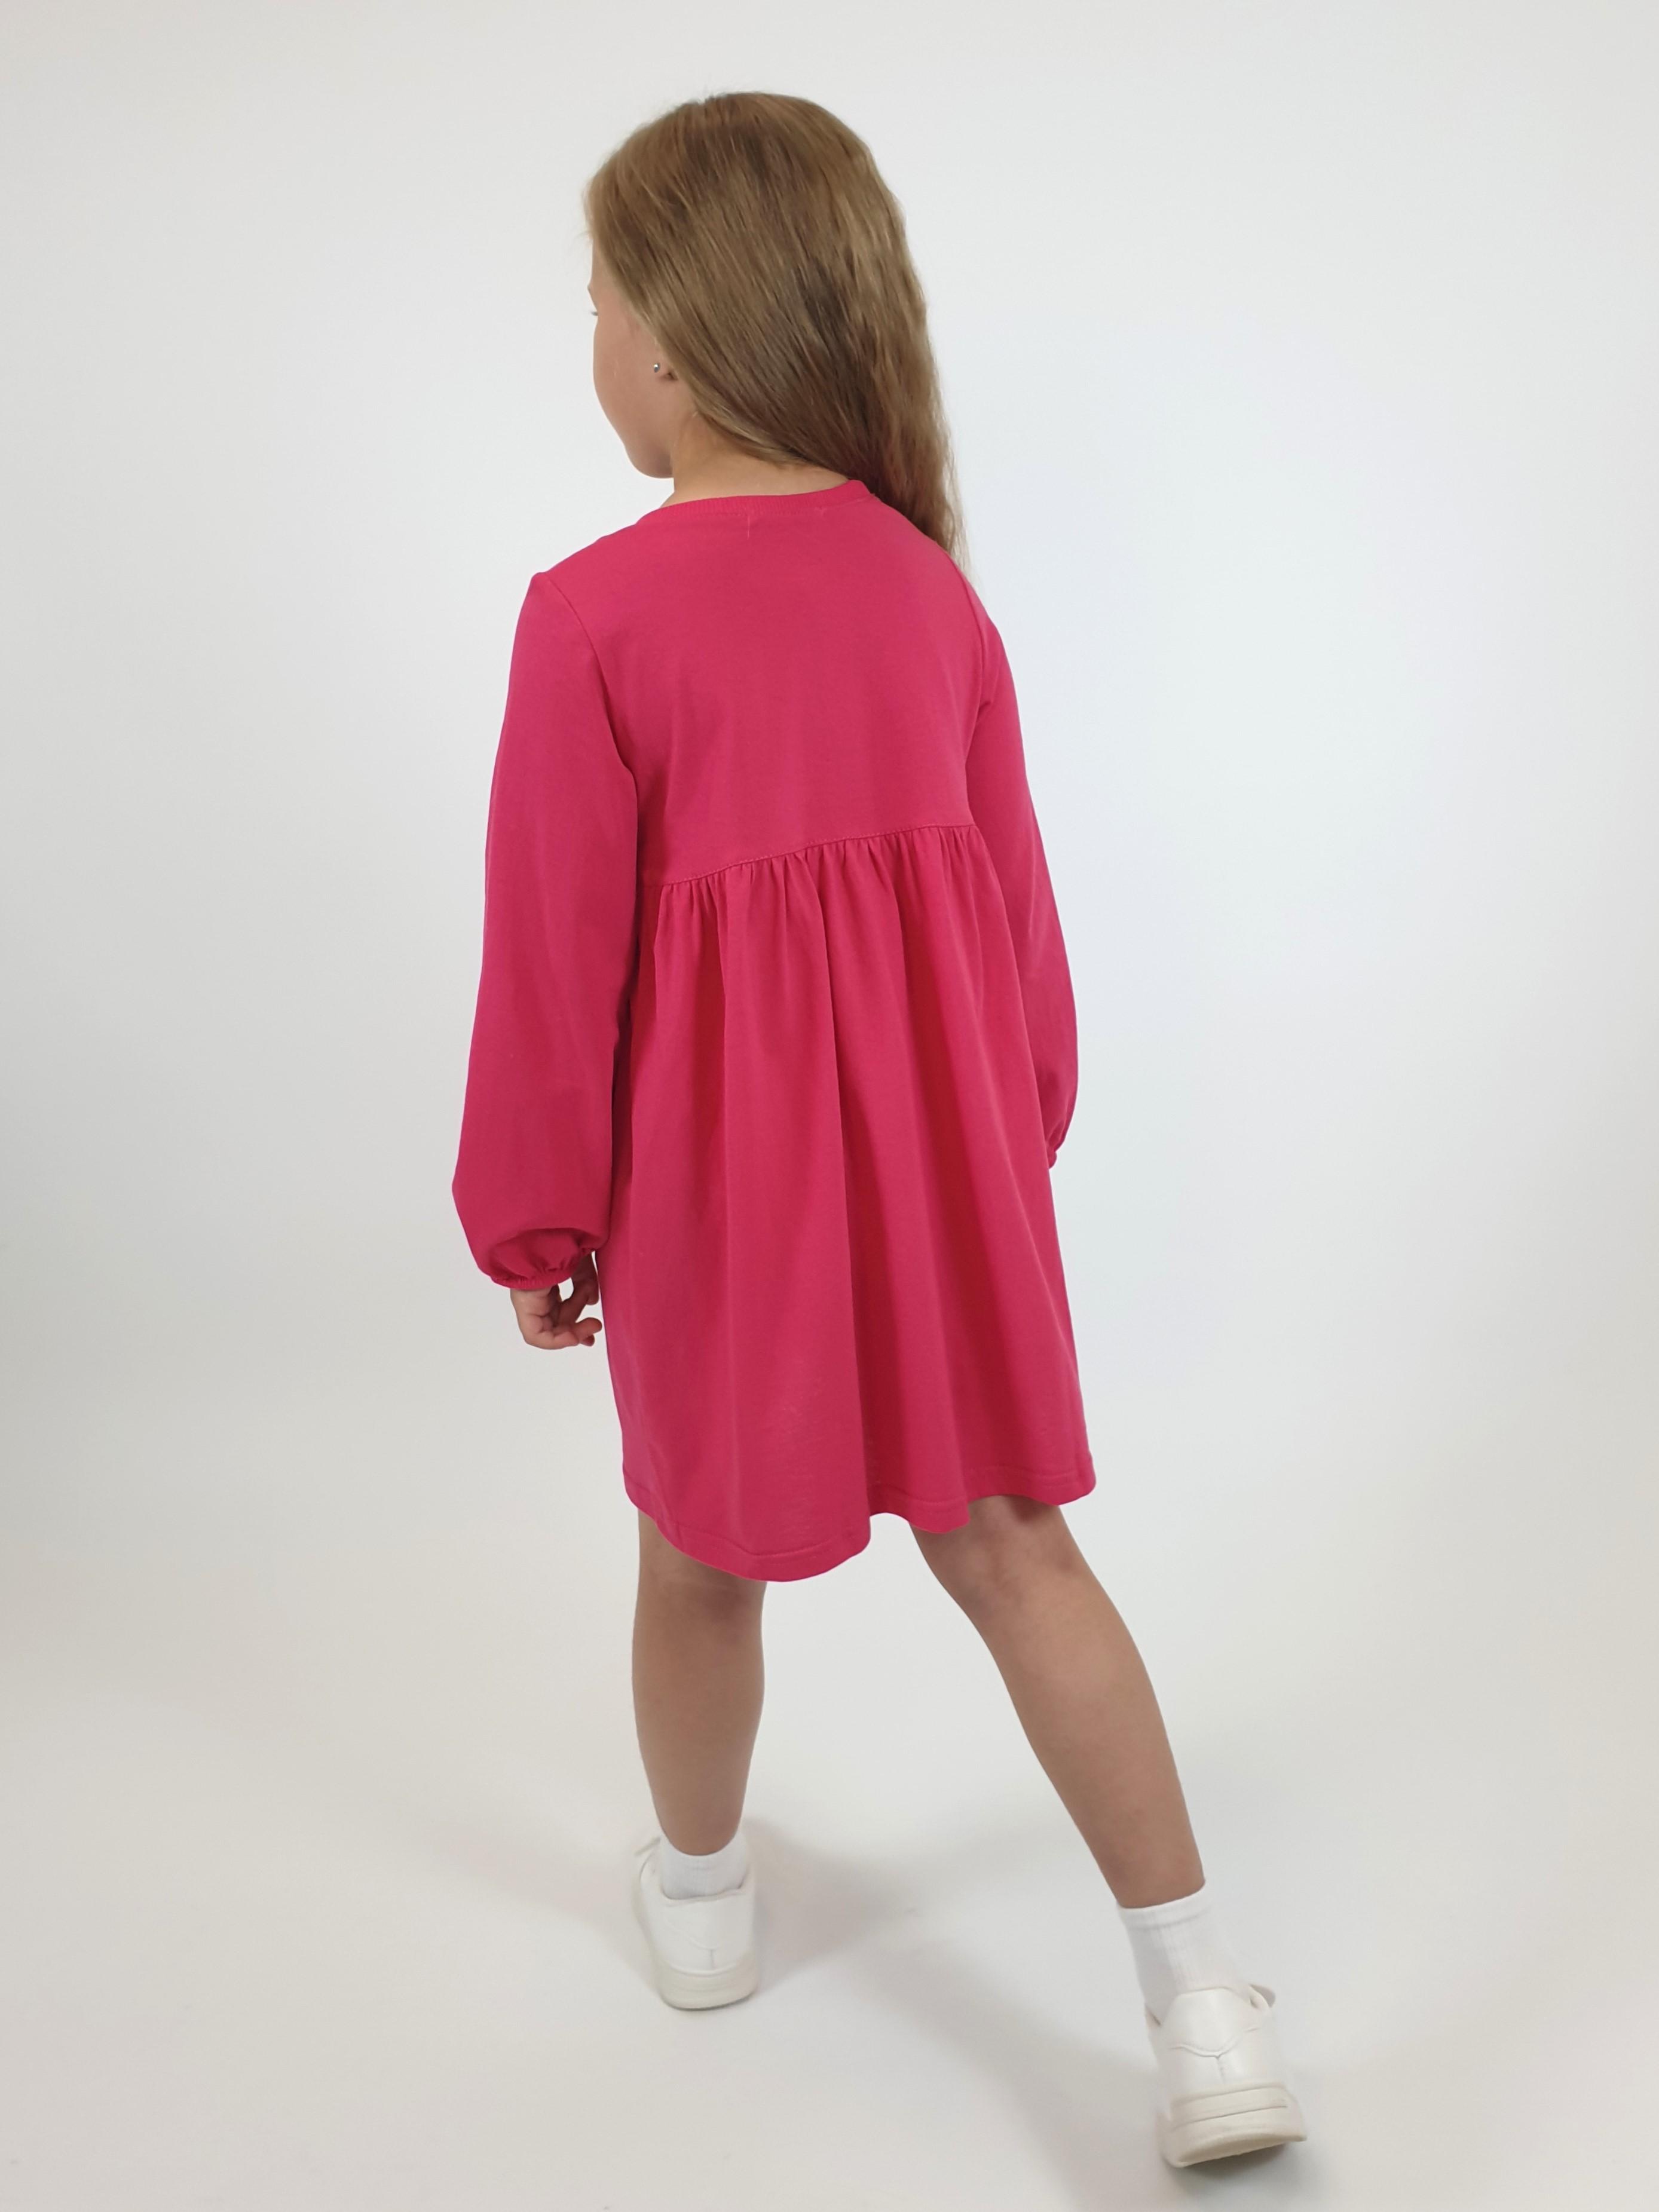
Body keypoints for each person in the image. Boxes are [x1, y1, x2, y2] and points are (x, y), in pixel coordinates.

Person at [451, 90, 1306, 2169]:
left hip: (714, 1207)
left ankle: (703, 1903)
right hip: (948, 1193)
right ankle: (1203, 2004)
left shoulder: (591, 617)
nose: (589, 338)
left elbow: (554, 968)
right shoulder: (931, 590)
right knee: (1019, 1553)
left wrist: (542, 1220)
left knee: (696, 1566)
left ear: (677, 335)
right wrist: (1000, 1144)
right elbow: (1020, 937)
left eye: (596, 299)